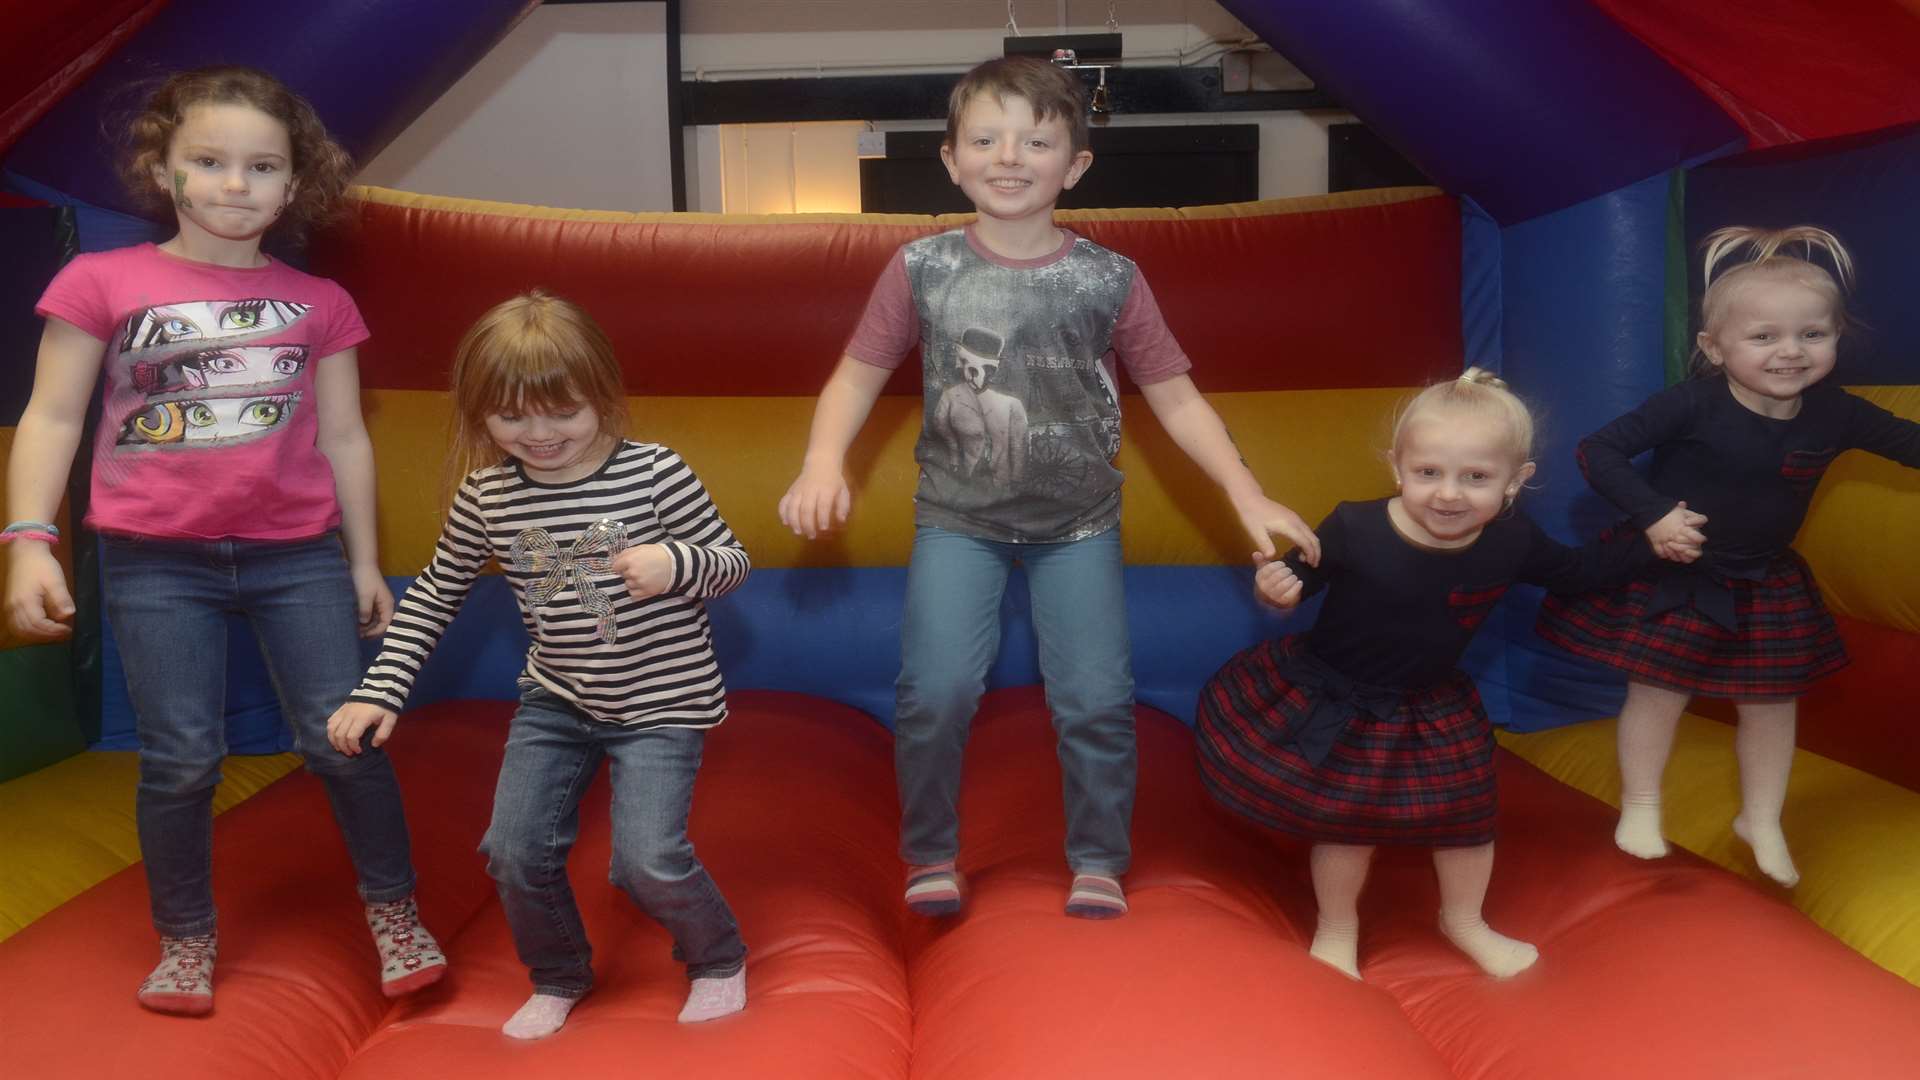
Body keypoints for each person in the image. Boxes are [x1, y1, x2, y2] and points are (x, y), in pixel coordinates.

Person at [779, 56, 1319, 920]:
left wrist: (1245, 495)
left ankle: (1099, 857)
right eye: (985, 138)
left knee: (1097, 697)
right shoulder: (921, 268)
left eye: (1036, 140)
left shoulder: (1110, 279)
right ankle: (931, 851)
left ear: (1074, 167)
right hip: (959, 517)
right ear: (952, 159)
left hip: (1078, 522)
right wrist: (821, 461)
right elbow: (855, 375)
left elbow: (1177, 398)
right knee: (938, 690)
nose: (1009, 156)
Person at [1, 65, 443, 1016]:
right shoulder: (100, 280)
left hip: (296, 555)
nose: (235, 184)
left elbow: (343, 437)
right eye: (209, 160)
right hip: (155, 559)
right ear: (164, 169)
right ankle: (187, 937)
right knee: (182, 757)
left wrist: (365, 561)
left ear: (295, 185)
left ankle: (396, 913)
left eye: (262, 166)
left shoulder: (320, 302)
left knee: (346, 739)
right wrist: (31, 539)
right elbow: (52, 418)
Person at [326, 291, 749, 1038]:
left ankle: (716, 957)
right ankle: (558, 974)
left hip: (662, 700)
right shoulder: (487, 495)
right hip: (558, 697)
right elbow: (433, 593)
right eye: (512, 416)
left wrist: (675, 561)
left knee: (645, 859)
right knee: (514, 851)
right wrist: (381, 689)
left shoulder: (655, 473)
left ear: (602, 396)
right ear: (480, 414)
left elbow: (731, 561)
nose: (540, 433)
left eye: (562, 410)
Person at [1196, 370, 1673, 979]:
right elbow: (1297, 581)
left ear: (1515, 481)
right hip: (1339, 695)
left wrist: (1653, 534)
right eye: (1429, 473)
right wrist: (1276, 589)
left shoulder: (1512, 540)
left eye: (1476, 477)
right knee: (1346, 828)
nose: (1449, 494)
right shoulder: (1355, 526)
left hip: (1430, 702)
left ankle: (1464, 921)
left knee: (1469, 821)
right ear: (1397, 466)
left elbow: (1579, 572)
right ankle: (1337, 928)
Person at [1537, 226, 1920, 887]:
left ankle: (1761, 819)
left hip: (1762, 575)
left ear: (1836, 338)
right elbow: (1597, 450)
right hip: (1677, 566)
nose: (1790, 353)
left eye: (1812, 335)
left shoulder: (1835, 414)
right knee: (1659, 690)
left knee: (1774, 699)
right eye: (1764, 337)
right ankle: (1642, 805)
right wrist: (1653, 513)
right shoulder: (1694, 402)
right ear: (1714, 348)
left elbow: (1910, 442)